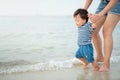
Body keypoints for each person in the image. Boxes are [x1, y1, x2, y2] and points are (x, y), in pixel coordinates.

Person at [83, 0, 120, 72]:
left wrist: (100, 15)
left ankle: (106, 63)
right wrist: (83, 10)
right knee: (93, 30)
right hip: (104, 1)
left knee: (106, 31)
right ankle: (100, 57)